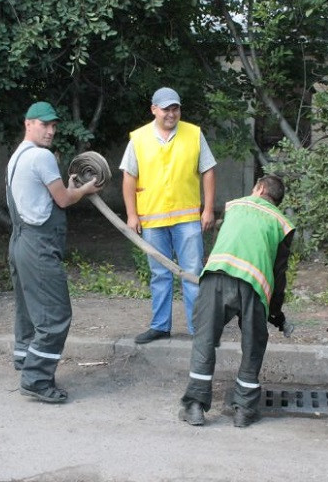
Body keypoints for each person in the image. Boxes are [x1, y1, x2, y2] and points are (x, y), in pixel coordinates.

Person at [179, 174, 295, 428]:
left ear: (259, 188)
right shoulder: (283, 223)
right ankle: (244, 410)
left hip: (216, 277)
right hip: (254, 285)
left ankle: (195, 406)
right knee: (253, 344)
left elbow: (222, 239)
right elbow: (279, 272)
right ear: (276, 200)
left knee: (205, 340)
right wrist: (275, 313)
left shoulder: (233, 206)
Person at [6, 101, 101, 403]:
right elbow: (62, 200)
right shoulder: (42, 156)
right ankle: (35, 379)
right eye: (44, 124)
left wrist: (70, 186)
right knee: (55, 315)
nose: (50, 130)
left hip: (19, 241)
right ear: (28, 124)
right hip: (38, 245)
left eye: (53, 125)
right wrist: (84, 190)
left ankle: (24, 358)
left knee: (28, 310)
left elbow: (47, 193)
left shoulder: (17, 157)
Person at [119, 87, 217, 344]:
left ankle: (199, 330)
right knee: (160, 274)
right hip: (152, 219)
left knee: (192, 273)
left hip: (187, 220)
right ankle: (160, 326)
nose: (171, 114)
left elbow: (208, 171)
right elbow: (129, 177)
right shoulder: (138, 139)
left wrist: (207, 209)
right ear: (154, 109)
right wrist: (132, 215)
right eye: (166, 109)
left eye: (175, 108)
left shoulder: (194, 134)